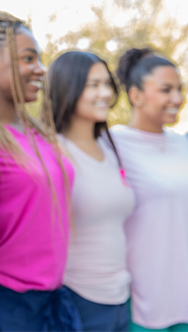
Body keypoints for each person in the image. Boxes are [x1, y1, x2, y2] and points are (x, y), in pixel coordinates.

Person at [0, 7, 79, 331]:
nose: (41, 69)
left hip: (53, 300)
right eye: (28, 59)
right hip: (1, 304)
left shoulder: (37, 132)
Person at [111, 47, 188, 331]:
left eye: (179, 90)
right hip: (146, 307)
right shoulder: (114, 144)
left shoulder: (183, 144)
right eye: (166, 90)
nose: (177, 99)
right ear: (135, 95)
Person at [49, 51, 135, 331]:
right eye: (93, 85)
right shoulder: (55, 151)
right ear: (68, 87)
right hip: (78, 298)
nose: (105, 93)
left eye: (107, 84)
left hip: (120, 296)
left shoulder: (110, 151)